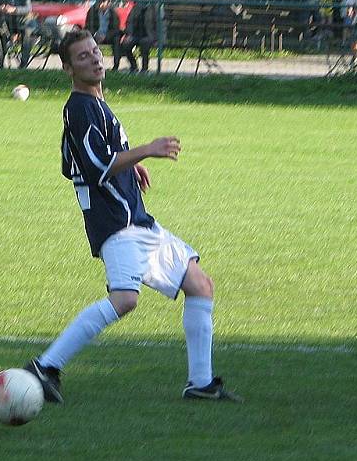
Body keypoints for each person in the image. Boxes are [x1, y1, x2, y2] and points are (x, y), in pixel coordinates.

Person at [23, 28, 241, 404]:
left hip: (137, 220)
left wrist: (128, 168)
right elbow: (94, 166)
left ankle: (201, 384)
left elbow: (72, 162)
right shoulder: (80, 106)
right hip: (117, 224)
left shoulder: (96, 105)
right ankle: (46, 366)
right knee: (125, 299)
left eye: (95, 51)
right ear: (68, 68)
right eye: (82, 56)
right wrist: (144, 151)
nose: (93, 58)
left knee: (200, 285)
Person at [121, 0, 157, 74]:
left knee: (144, 43)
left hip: (149, 35)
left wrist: (157, 38)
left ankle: (145, 69)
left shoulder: (155, 8)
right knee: (126, 45)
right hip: (135, 35)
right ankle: (134, 66)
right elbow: (129, 22)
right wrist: (128, 34)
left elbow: (159, 25)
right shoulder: (135, 7)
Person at [85, 0, 123, 72]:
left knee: (116, 40)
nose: (101, 4)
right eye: (99, 1)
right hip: (96, 35)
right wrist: (95, 34)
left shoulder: (113, 13)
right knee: (89, 41)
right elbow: (88, 26)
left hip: (108, 36)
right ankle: (91, 65)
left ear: (108, 3)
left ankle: (116, 66)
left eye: (103, 2)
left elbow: (116, 28)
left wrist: (105, 36)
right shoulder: (92, 11)